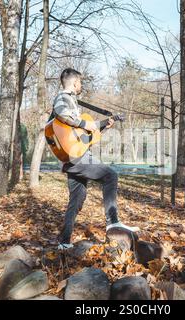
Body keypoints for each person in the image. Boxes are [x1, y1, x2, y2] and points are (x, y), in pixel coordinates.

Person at [51, 68, 139, 250]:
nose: (81, 86)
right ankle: (113, 222)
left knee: (77, 199)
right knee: (110, 176)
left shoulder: (72, 102)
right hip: (76, 157)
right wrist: (85, 123)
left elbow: (84, 137)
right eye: (80, 82)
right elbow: (62, 113)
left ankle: (64, 242)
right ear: (75, 83)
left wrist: (105, 124)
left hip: (72, 157)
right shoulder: (64, 98)